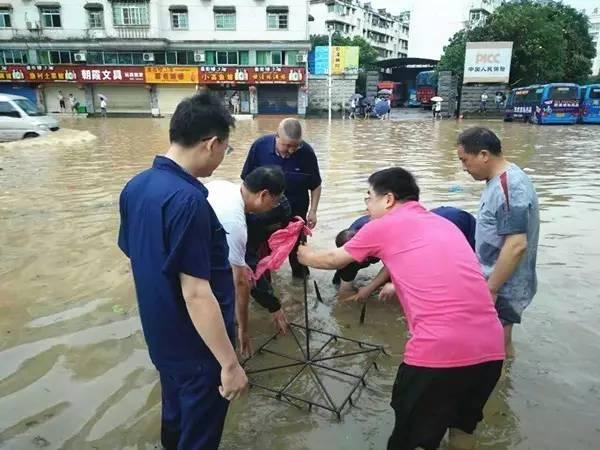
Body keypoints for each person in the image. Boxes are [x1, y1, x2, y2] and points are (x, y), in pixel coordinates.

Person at [297, 167, 505, 450]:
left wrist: (304, 255)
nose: (366, 206)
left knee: (410, 440)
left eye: (369, 197)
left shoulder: (382, 225)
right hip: (491, 349)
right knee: (462, 428)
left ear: (389, 199)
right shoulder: (442, 225)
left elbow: (335, 259)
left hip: (439, 353)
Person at [118, 93, 248, 450]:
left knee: (175, 421)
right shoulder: (189, 201)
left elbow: (138, 258)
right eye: (226, 148)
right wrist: (229, 363)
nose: (224, 157)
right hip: (198, 350)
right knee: (200, 435)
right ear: (211, 143)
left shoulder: (136, 187)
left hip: (162, 339)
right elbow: (195, 292)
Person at [457, 127, 539, 355]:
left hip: (503, 284)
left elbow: (516, 245)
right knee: (495, 342)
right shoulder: (499, 181)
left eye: (465, 160)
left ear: (484, 155)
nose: (464, 168)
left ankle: (501, 386)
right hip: (495, 279)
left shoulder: (509, 187)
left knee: (497, 346)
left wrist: (491, 289)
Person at [206, 166, 286, 358]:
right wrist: (243, 330)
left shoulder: (221, 185)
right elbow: (240, 282)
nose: (270, 209)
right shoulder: (235, 223)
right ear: (263, 195)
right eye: (273, 204)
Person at [334, 206, 477, 300]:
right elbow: (345, 291)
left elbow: (398, 265)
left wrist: (373, 287)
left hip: (460, 224)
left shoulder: (386, 235)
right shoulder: (347, 254)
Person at [241, 118, 321, 278]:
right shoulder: (260, 147)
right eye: (287, 145)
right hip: (264, 214)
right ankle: (264, 284)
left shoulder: (306, 152)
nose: (291, 150)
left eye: (295, 146)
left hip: (295, 214)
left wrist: (313, 211)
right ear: (276, 137)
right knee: (261, 254)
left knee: (298, 256)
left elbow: (316, 184)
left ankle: (299, 284)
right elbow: (247, 182)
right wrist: (245, 210)